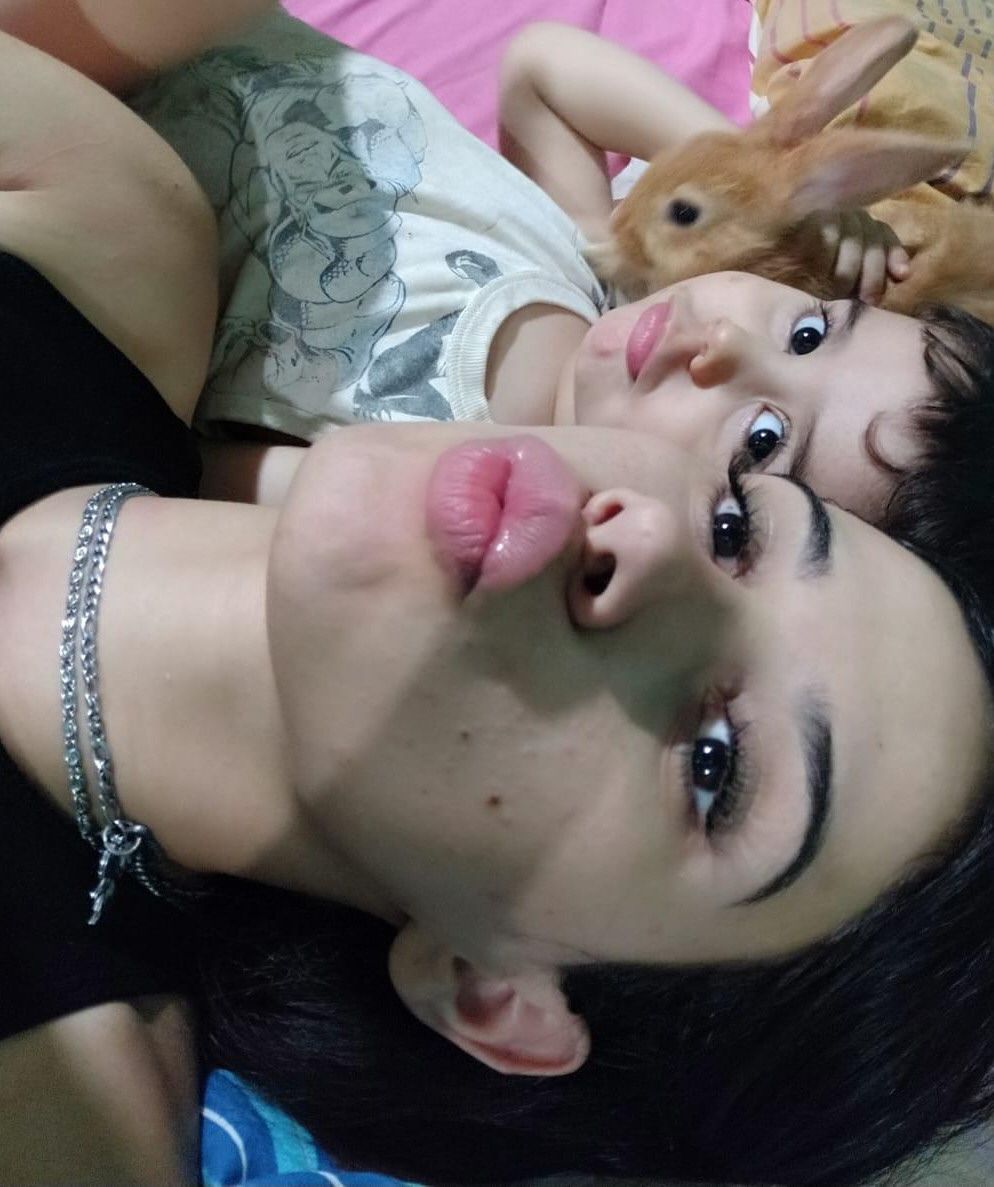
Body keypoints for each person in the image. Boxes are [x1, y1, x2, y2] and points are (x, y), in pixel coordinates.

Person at [2, 22, 994, 1187]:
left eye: (715, 764)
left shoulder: (65, 1104)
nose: (650, 540)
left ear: (501, 994)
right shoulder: (109, 226)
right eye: (737, 527)